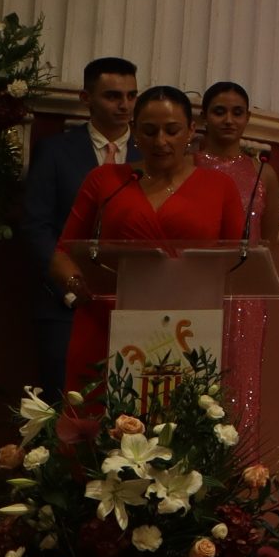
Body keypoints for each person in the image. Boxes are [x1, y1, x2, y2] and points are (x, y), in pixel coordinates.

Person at [48, 86, 247, 393]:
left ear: (191, 131)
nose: (160, 141)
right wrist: (77, 284)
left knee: (176, 418)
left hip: (188, 330)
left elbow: (239, 264)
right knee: (103, 418)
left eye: (172, 131)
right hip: (107, 324)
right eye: (150, 131)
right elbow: (63, 253)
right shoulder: (105, 180)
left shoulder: (220, 187)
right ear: (135, 132)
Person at [21, 56, 139, 388]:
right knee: (64, 399)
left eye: (131, 95)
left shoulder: (149, 155)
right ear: (86, 98)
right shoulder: (56, 151)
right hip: (66, 304)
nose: (124, 105)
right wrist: (70, 282)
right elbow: (36, 225)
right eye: (113, 96)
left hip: (134, 301)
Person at [191, 80, 272, 438]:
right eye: (219, 112)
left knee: (240, 381)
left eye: (237, 113)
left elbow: (267, 240)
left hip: (245, 295)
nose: (228, 120)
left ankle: (239, 465)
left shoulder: (262, 171)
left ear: (248, 117)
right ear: (203, 117)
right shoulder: (188, 165)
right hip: (194, 286)